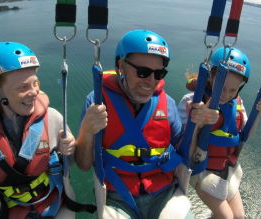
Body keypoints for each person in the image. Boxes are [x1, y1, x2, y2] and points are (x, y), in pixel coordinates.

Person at [75, 29, 209, 219]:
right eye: (143, 72)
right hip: (117, 194)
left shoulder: (167, 103)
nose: (151, 81)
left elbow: (184, 153)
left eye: (159, 73)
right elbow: (83, 164)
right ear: (120, 66)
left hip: (163, 191)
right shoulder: (97, 101)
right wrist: (87, 130)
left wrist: (195, 127)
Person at [0, 42, 78, 218]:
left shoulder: (52, 118)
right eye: (23, 87)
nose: (34, 92)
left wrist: (68, 150)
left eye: (35, 83)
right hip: (11, 212)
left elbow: (71, 163)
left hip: (55, 204)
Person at [178, 47, 261, 219]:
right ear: (211, 77)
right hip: (201, 169)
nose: (226, 95)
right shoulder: (192, 102)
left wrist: (259, 112)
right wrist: (200, 122)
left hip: (226, 169)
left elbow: (246, 136)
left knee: (239, 216)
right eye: (223, 88)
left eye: (233, 90)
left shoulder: (237, 105)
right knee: (226, 217)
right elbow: (182, 146)